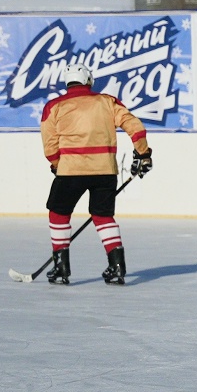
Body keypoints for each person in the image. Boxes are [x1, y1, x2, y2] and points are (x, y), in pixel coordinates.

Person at [40, 63, 153, 285]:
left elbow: (49, 143)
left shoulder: (54, 106)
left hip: (70, 171)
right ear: (88, 80)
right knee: (103, 216)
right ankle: (117, 266)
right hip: (105, 171)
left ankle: (61, 268)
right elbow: (134, 125)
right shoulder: (107, 101)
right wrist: (143, 153)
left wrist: (56, 164)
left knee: (58, 213)